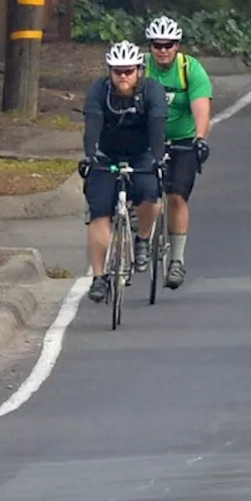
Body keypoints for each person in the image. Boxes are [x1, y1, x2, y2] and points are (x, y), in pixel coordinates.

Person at [78, 40, 168, 304]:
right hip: (107, 154)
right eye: (117, 71)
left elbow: (156, 126)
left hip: (142, 153)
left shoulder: (152, 91)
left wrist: (158, 158)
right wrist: (91, 156)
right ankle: (99, 277)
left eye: (128, 71)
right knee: (99, 211)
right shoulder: (99, 90)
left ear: (139, 70)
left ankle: (142, 238)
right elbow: (92, 124)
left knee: (150, 194)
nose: (123, 76)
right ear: (110, 71)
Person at [141, 15, 212, 289]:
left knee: (176, 197)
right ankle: (141, 236)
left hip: (182, 140)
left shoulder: (189, 69)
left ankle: (177, 261)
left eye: (168, 44)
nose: (162, 50)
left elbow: (200, 106)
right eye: (157, 45)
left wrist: (200, 138)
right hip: (147, 141)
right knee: (144, 192)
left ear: (177, 45)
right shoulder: (140, 68)